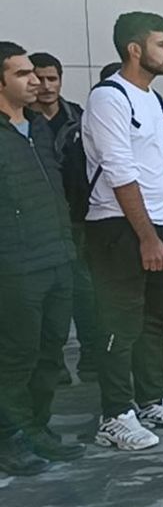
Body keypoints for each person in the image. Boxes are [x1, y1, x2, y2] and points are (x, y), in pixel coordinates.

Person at [82, 12, 163, 450]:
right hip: (119, 229)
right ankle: (115, 415)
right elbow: (119, 171)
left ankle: (151, 401)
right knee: (120, 323)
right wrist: (148, 237)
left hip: (162, 225)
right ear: (135, 49)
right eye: (161, 44)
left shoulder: (153, 98)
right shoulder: (109, 98)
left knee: (153, 319)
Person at [0, 42, 83, 474]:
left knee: (51, 353)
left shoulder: (39, 127)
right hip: (15, 266)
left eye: (33, 71)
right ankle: (9, 439)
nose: (34, 80)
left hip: (58, 258)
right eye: (21, 74)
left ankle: (37, 429)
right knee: (17, 357)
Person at [29, 51, 98, 381]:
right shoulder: (20, 122)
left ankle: (91, 359)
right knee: (48, 296)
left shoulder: (79, 118)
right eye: (39, 78)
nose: (46, 86)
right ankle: (52, 362)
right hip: (40, 224)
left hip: (80, 220)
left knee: (85, 292)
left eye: (52, 78)